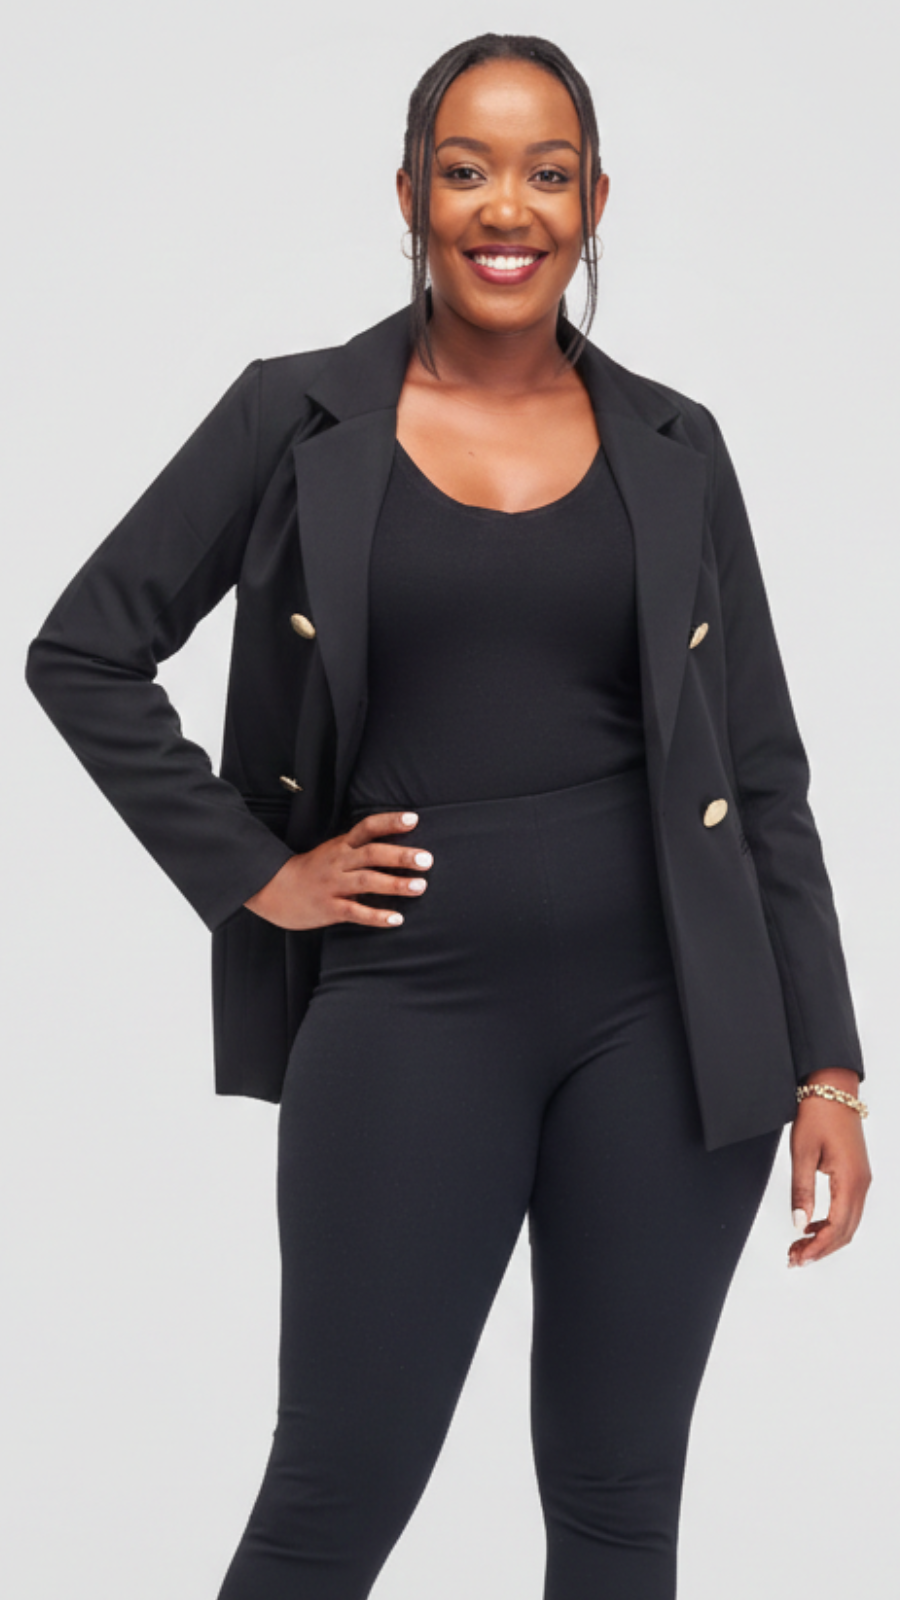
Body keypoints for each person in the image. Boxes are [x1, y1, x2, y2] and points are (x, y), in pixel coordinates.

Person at [25, 31, 872, 1600]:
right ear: (410, 191)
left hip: (672, 1022)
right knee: (332, 1496)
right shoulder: (292, 418)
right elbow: (81, 652)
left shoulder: (677, 445)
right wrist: (255, 873)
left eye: (549, 173)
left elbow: (761, 771)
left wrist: (829, 1062)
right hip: (409, 1004)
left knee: (620, 1506)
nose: (507, 208)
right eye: (467, 169)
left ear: (596, 200)